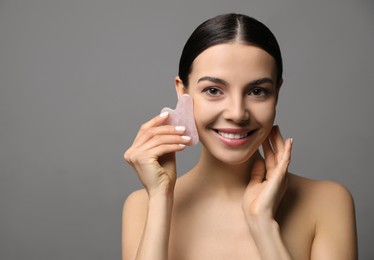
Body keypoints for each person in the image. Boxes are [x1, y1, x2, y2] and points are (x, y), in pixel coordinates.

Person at [122, 13, 357, 260]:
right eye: (213, 90)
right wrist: (161, 198)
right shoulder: (143, 206)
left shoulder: (327, 202)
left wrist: (263, 225)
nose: (237, 113)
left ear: (277, 92)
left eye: (257, 91)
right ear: (183, 92)